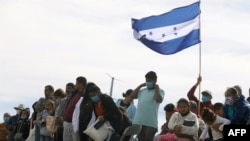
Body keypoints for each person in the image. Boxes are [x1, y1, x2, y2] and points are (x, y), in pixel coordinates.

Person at [130, 71, 165, 141]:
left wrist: (157, 88)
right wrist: (140, 86)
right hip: (139, 121)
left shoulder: (160, 91)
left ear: (155, 80)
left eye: (150, 80)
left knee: (148, 139)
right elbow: (132, 96)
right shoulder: (143, 91)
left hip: (150, 122)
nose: (148, 82)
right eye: (146, 80)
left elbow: (158, 99)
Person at [63, 76, 87, 141]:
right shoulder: (75, 94)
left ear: (81, 84)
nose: (75, 85)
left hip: (75, 124)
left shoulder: (85, 95)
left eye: (76, 83)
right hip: (67, 122)